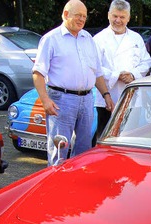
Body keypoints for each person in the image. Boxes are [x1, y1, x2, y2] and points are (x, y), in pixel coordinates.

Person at [32, 0, 114, 165]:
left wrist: (106, 95)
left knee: (84, 149)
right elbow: (38, 73)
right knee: (59, 150)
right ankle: (56, 187)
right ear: (65, 14)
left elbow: (97, 73)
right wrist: (45, 100)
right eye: (78, 15)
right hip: (62, 100)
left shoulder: (88, 39)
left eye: (84, 16)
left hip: (87, 100)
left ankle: (77, 186)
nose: (82, 19)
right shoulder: (51, 39)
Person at [92, 0, 151, 146]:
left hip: (132, 96)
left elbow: (146, 62)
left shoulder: (136, 38)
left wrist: (132, 75)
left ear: (128, 18)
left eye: (122, 17)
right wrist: (116, 75)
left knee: (128, 138)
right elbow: (94, 66)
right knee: (106, 138)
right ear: (108, 15)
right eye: (115, 16)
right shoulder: (98, 39)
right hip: (107, 96)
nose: (118, 20)